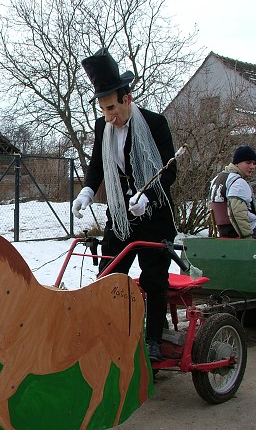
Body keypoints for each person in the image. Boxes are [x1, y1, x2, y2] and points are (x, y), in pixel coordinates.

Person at [72, 48, 177, 361]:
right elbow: (97, 165)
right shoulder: (104, 127)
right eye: (103, 109)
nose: (108, 115)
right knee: (108, 274)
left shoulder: (156, 124)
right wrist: (87, 191)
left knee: (154, 278)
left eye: (113, 107)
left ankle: (153, 341)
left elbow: (170, 168)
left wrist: (148, 195)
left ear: (127, 98)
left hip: (154, 215)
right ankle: (108, 335)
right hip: (120, 216)